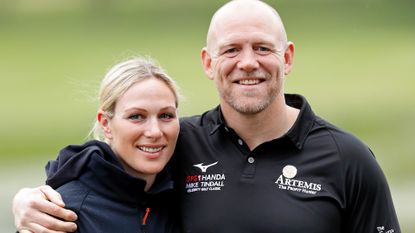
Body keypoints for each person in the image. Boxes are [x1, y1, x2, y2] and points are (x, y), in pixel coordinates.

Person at [13, 0, 401, 232]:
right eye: (231, 50)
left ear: (287, 57)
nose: (248, 63)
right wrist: (27, 199)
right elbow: (96, 170)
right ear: (208, 62)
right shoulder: (177, 141)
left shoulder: (348, 158)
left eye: (263, 48)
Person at [13, 56, 182, 233]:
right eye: (136, 116)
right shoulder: (62, 214)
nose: (155, 132)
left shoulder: (190, 194)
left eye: (166, 116)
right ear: (105, 124)